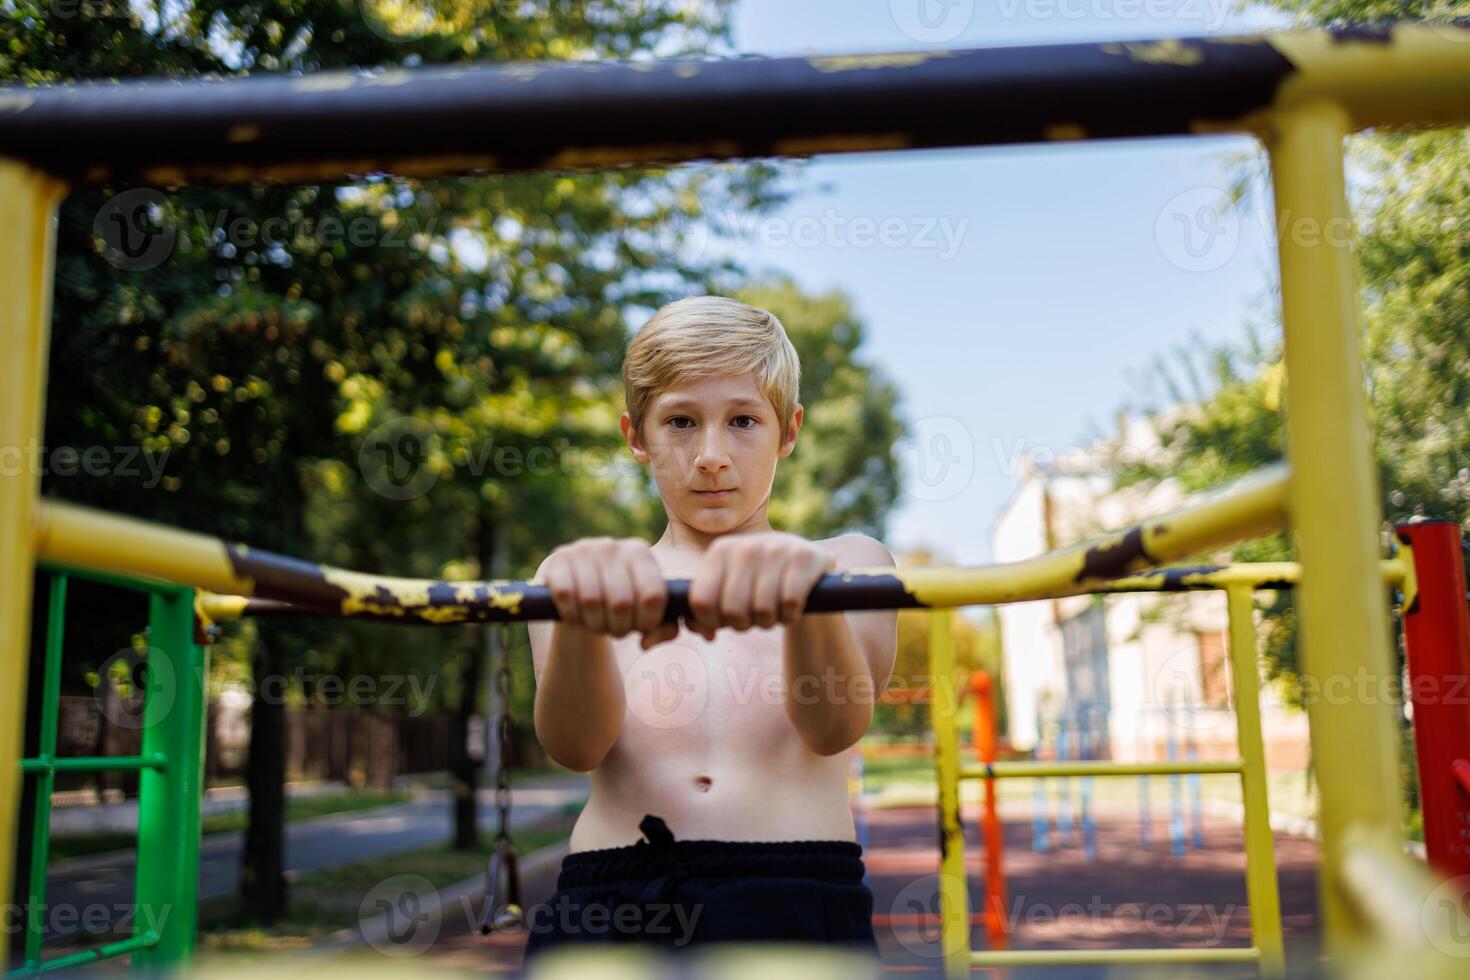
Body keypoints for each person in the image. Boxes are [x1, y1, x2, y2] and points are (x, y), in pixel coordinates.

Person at [522, 295, 897, 961]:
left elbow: (835, 725)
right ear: (636, 436)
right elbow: (575, 747)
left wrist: (809, 602)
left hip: (795, 890)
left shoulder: (850, 562)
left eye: (744, 420)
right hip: (611, 895)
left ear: (789, 430)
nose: (712, 455)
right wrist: (579, 620)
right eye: (681, 422)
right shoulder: (582, 574)